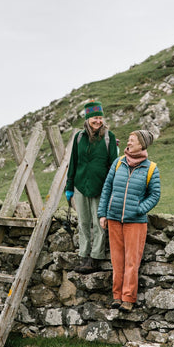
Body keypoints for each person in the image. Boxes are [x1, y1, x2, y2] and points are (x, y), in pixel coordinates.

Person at [98, 130, 161, 312]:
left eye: (132, 140)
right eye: (129, 139)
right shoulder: (118, 163)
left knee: (132, 262)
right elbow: (107, 188)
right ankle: (117, 297)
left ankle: (128, 298)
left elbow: (154, 195)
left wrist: (138, 210)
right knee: (117, 261)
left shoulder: (151, 168)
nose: (129, 142)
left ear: (142, 144)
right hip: (114, 219)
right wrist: (103, 214)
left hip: (136, 223)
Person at [65, 100, 118, 273]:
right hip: (81, 185)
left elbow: (113, 165)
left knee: (99, 222)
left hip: (100, 187)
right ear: (87, 119)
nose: (98, 121)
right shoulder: (79, 137)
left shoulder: (109, 137)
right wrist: (69, 186)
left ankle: (94, 258)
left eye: (100, 118)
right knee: (83, 222)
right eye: (94, 118)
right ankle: (83, 255)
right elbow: (73, 162)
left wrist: (110, 188)